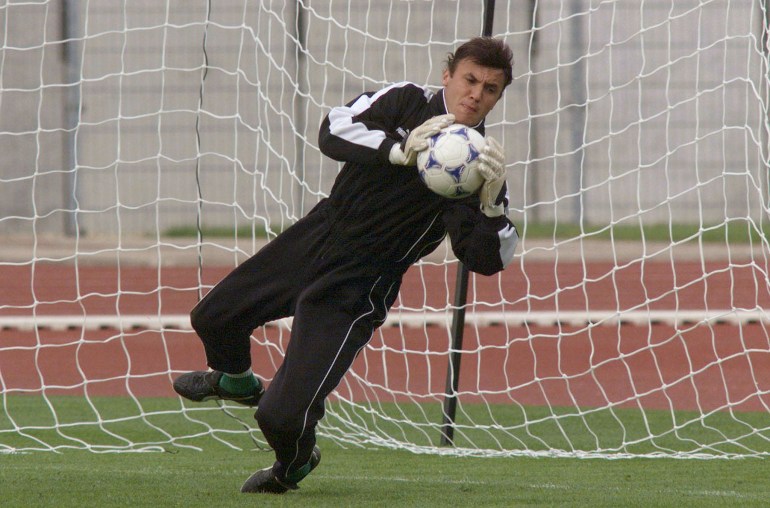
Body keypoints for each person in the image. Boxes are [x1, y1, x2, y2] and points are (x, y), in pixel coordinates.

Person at [173, 36, 519, 494]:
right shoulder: (405, 102)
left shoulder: (479, 167)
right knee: (213, 318)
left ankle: (292, 464)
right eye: (470, 80)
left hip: (361, 283)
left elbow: (487, 260)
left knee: (280, 415)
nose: (476, 94)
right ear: (448, 76)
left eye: (490, 89)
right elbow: (333, 129)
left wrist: (492, 210)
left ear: (498, 97)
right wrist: (400, 149)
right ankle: (236, 381)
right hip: (318, 235)